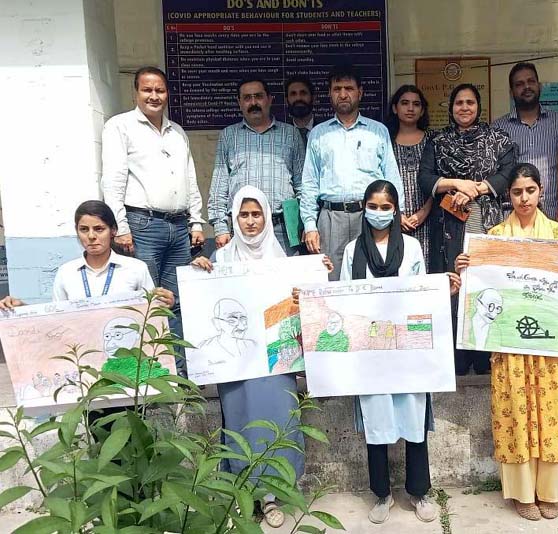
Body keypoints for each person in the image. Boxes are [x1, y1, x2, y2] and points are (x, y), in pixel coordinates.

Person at [190, 185, 333, 529]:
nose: (251, 222)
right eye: (244, 214)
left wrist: (315, 276)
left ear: (267, 217)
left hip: (274, 366)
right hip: (237, 365)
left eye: (257, 214)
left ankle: (270, 498)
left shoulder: (282, 260)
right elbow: (204, 300)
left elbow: (300, 308)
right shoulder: (221, 260)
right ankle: (242, 494)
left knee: (275, 424)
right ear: (234, 218)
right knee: (239, 425)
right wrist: (198, 269)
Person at [455, 163, 558, 521]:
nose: (524, 198)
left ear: (541, 191)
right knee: (516, 410)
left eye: (530, 190)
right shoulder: (495, 237)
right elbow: (484, 290)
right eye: (517, 192)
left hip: (551, 344)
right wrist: (468, 268)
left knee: (551, 411)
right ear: (508, 195)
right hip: (511, 341)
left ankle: (552, 490)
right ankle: (521, 492)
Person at [339, 179, 461, 525]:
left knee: (413, 417)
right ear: (364, 208)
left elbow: (421, 293)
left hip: (408, 353)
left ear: (396, 209)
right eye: (373, 206)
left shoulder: (411, 248)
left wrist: (444, 291)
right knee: (377, 421)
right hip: (371, 353)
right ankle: (381, 493)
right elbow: (345, 300)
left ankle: (419, 492)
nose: (379, 213)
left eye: (386, 207)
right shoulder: (352, 251)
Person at [101, 66, 204, 376]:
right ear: (136, 93)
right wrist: (121, 227)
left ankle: (179, 377)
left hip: (178, 226)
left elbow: (190, 178)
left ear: (167, 93)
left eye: (159, 90)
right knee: (145, 304)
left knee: (177, 303)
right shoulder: (120, 127)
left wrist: (197, 222)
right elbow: (113, 181)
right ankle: (147, 378)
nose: (154, 96)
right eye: (148, 90)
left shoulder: (178, 132)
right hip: (142, 226)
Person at [418, 83, 516, 375]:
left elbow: (508, 171)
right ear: (450, 108)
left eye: (470, 102)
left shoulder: (497, 138)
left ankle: (485, 356)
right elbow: (426, 177)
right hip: (448, 225)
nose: (464, 107)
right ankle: (457, 359)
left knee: (485, 282)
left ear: (479, 106)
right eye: (459, 102)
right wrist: (455, 184)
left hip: (485, 221)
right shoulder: (437, 141)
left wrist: (477, 189)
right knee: (453, 284)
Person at [299, 64, 404, 280]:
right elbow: (309, 183)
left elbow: (391, 178)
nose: (343, 94)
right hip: (330, 217)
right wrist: (310, 225)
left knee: (373, 276)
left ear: (360, 92)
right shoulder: (318, 134)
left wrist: (396, 217)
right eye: (337, 89)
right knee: (331, 278)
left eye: (349, 88)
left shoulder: (377, 131)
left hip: (370, 216)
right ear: (329, 94)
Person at [0, 200, 174, 310]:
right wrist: (21, 309)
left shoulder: (135, 268)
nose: (91, 236)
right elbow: (55, 319)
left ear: (113, 231)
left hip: (126, 358)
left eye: (99, 229)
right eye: (84, 229)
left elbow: (152, 314)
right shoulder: (66, 272)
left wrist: (166, 302)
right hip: (82, 360)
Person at [208, 78, 305, 255]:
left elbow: (302, 186)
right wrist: (220, 228)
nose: (253, 103)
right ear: (239, 102)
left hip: (282, 229)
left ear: (269, 99)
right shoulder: (229, 136)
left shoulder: (290, 134)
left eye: (258, 96)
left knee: (286, 281)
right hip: (242, 229)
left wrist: (305, 224)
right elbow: (219, 186)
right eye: (247, 98)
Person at [493, 62, 558, 220]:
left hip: (553, 214)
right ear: (511, 92)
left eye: (531, 81)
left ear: (539, 86)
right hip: (512, 216)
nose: (526, 87)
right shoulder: (497, 129)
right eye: (519, 84)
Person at [385, 85, 435, 263]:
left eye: (416, 104)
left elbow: (437, 179)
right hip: (391, 219)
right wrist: (396, 214)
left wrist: (423, 212)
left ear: (422, 110)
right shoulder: (385, 140)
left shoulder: (434, 139)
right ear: (394, 108)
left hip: (429, 219)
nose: (410, 108)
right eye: (404, 103)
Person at [284, 74, 316, 146]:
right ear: (286, 101)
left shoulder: (325, 131)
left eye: (303, 93)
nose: (298, 98)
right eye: (293, 94)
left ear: (313, 98)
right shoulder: (282, 133)